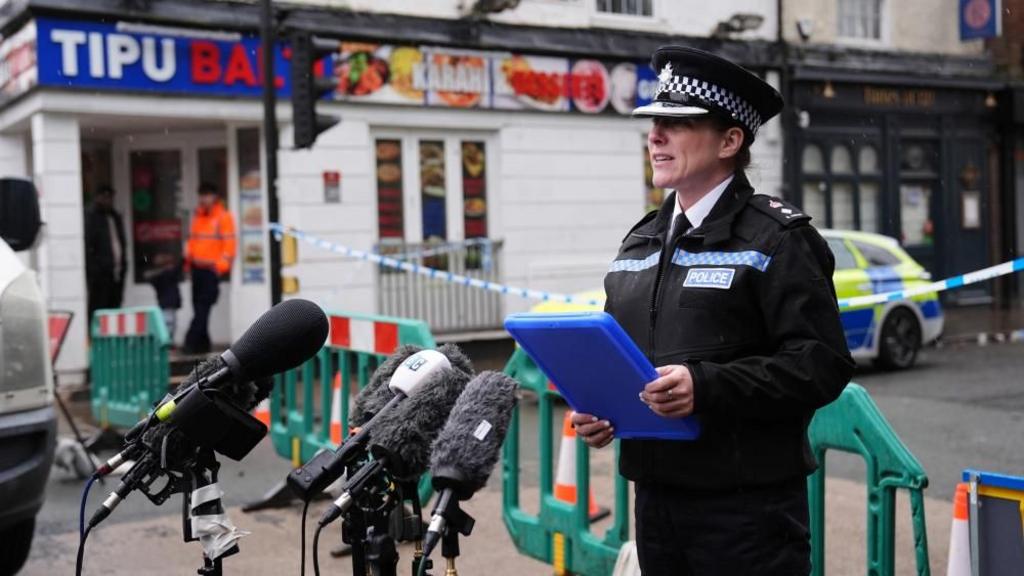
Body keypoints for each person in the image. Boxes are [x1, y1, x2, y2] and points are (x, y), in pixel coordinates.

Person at [571, 46, 855, 575]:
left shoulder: (779, 239)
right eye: (655, 122)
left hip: (747, 514)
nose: (655, 135)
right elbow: (627, 358)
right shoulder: (640, 242)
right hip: (655, 503)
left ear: (731, 141)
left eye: (677, 123)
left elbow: (821, 364)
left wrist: (705, 386)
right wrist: (603, 409)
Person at [183, 182, 235, 354]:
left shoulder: (223, 217)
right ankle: (202, 345)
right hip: (197, 270)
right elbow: (192, 241)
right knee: (199, 308)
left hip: (210, 271)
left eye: (206, 195)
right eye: (201, 195)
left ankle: (190, 344)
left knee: (202, 309)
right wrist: (188, 264)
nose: (203, 199)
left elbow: (229, 245)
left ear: (214, 197)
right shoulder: (198, 216)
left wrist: (218, 268)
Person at [84, 185, 127, 322]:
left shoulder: (114, 217)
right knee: (99, 306)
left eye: (110, 197)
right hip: (100, 274)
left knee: (115, 306)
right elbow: (89, 245)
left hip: (116, 271)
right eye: (105, 197)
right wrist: (96, 269)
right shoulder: (91, 217)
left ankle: (112, 337)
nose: (108, 200)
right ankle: (96, 336)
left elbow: (120, 242)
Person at [143, 251, 182, 341]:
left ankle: (168, 342)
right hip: (166, 303)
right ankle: (166, 342)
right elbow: (148, 276)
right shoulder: (162, 275)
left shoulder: (164, 274)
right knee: (168, 324)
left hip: (168, 303)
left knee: (170, 324)